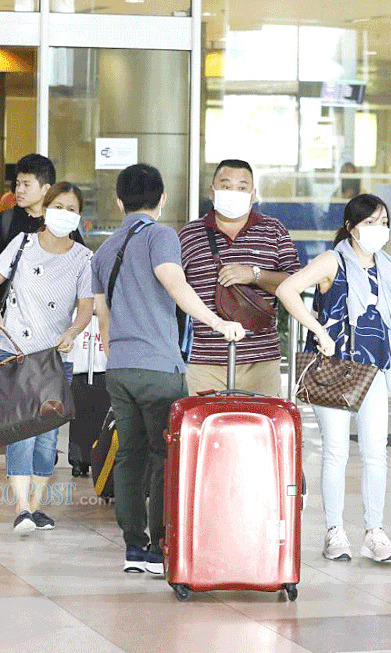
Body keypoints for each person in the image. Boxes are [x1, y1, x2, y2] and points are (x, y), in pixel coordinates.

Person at [276, 193, 391, 563]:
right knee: (336, 452)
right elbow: (286, 290)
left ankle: (374, 532)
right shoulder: (333, 260)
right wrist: (318, 330)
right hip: (333, 368)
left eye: (384, 222)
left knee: (375, 453)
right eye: (370, 222)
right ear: (351, 226)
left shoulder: (388, 269)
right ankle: (334, 531)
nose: (378, 229)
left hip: (375, 370)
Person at [91, 164, 244, 574]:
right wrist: (218, 322)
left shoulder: (104, 251)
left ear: (119, 203)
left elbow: (103, 316)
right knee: (163, 455)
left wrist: (116, 357)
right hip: (158, 368)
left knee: (129, 455)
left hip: (119, 368)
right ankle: (160, 547)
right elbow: (176, 285)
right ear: (162, 199)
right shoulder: (160, 236)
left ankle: (133, 547)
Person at [0, 181, 92, 534]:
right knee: (21, 431)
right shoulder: (23, 244)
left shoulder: (83, 259)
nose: (64, 214)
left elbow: (86, 308)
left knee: (47, 439)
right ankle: (22, 507)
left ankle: (36, 506)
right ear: (45, 209)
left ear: (80, 217)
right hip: (15, 350)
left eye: (72, 210)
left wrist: (73, 331)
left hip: (55, 356)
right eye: (58, 207)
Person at [178, 159, 300, 397]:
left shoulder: (273, 231)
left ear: (253, 194)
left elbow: (295, 283)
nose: (233, 192)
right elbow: (173, 288)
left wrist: (255, 275)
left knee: (259, 420)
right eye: (225, 186)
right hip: (203, 361)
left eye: (242, 187)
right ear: (212, 192)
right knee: (205, 420)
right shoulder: (189, 235)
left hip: (260, 361)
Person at [0, 154, 84, 289]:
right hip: (8, 300)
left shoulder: (60, 223)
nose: (19, 190)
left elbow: (81, 263)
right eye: (18, 184)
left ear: (46, 189)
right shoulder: (6, 220)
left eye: (26, 185)